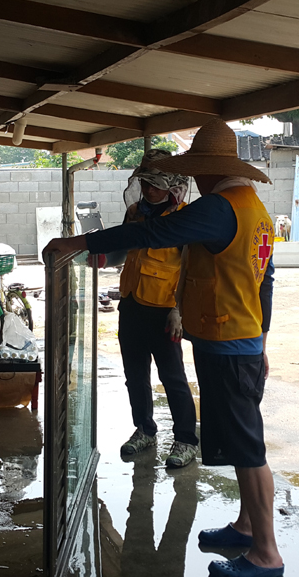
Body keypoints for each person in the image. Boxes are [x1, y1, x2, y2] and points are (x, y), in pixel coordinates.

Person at [45, 119, 281, 577]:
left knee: (249, 449)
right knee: (240, 440)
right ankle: (247, 528)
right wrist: (264, 340)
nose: (192, 178)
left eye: (195, 170)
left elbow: (151, 236)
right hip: (238, 339)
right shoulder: (253, 208)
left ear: (209, 170)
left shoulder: (219, 207)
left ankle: (266, 555)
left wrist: (78, 240)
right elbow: (265, 282)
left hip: (230, 342)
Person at [103, 150, 199, 468]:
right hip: (131, 304)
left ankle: (185, 440)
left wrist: (178, 311)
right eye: (145, 182)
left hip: (165, 312)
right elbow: (123, 251)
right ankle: (144, 429)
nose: (149, 189)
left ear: (172, 184)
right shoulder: (135, 213)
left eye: (156, 183)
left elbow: (190, 270)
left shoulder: (185, 218)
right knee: (135, 376)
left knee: (173, 378)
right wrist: (101, 255)